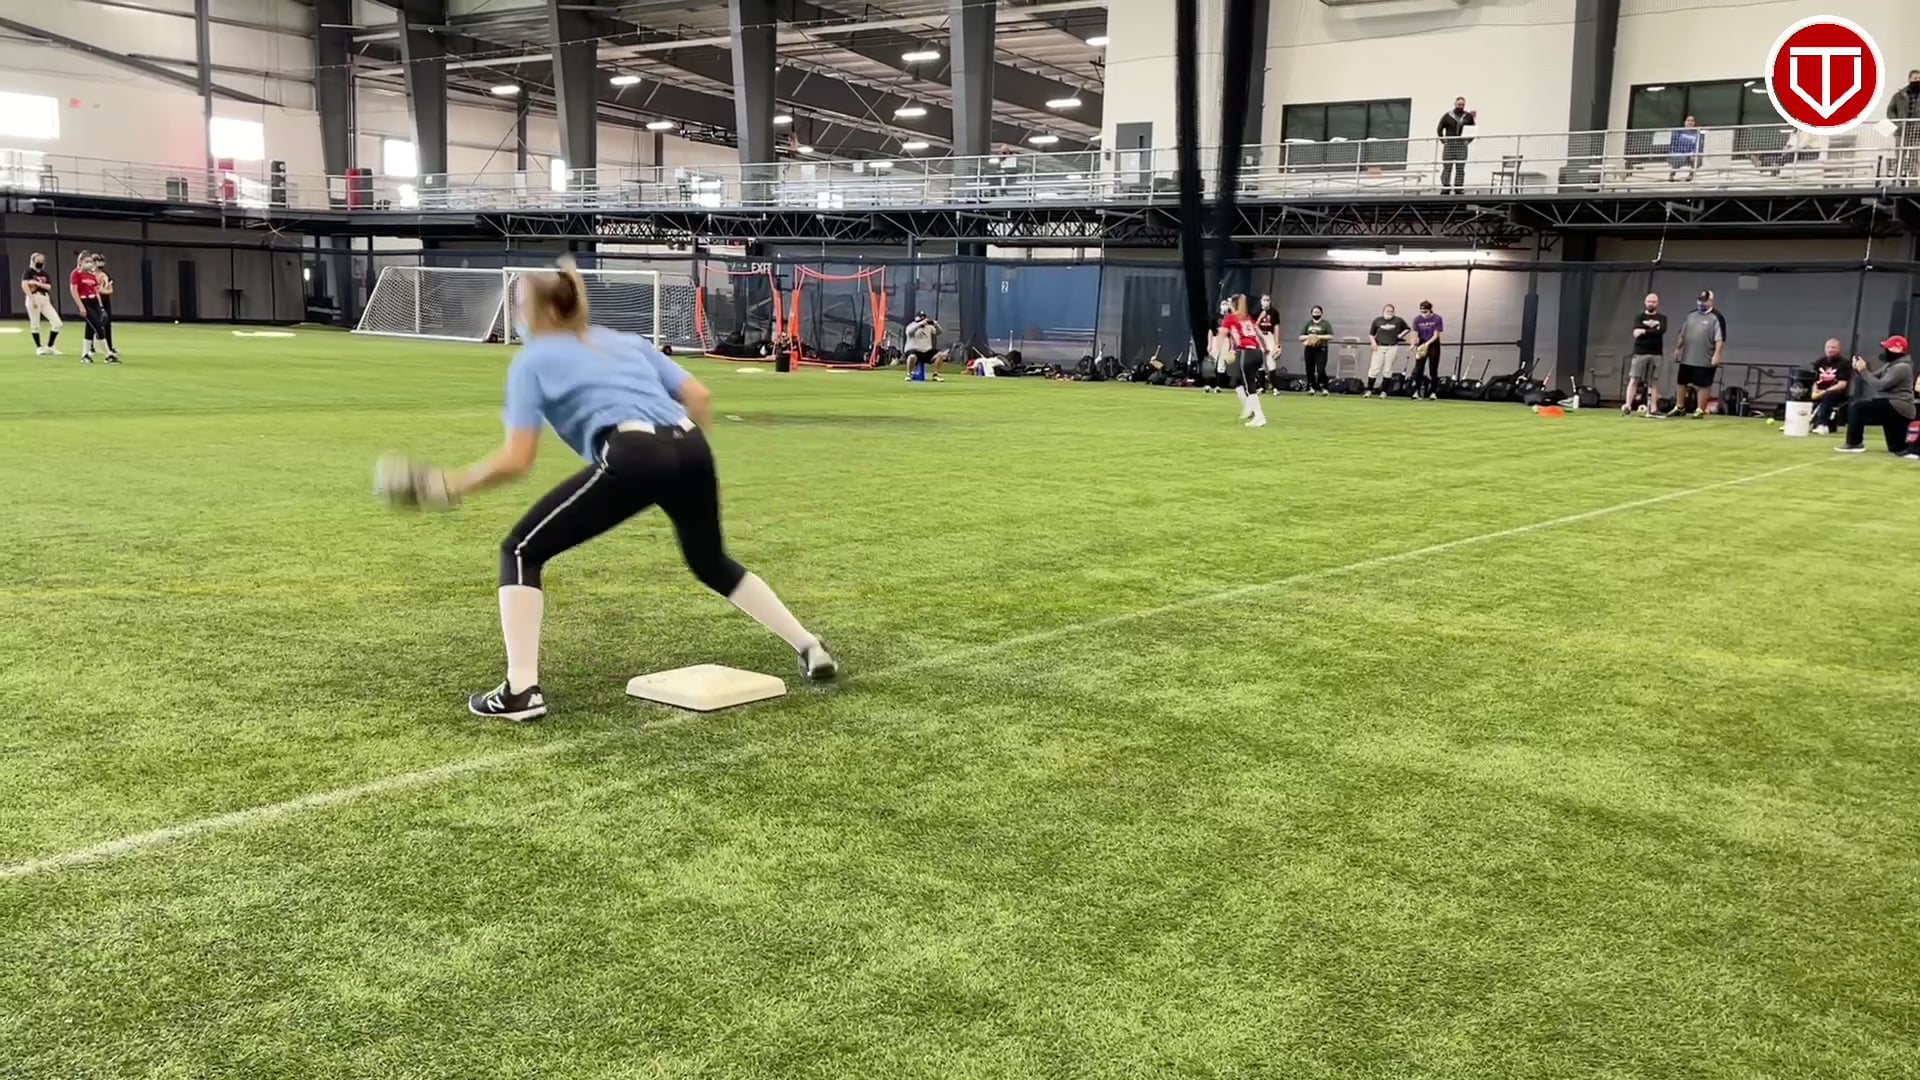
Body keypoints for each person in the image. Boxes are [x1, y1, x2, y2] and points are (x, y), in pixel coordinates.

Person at [377, 259, 838, 722]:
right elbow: (699, 397)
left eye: (519, 305)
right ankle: (809, 646)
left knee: (519, 551)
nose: (516, 315)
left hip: (634, 452)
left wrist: (449, 485)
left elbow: (517, 460)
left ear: (541, 311)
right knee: (710, 561)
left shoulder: (532, 361)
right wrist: (677, 467)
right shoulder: (625, 341)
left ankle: (521, 692)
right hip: (692, 447)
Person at [1835, 336, 1916, 457]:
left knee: (1858, 408)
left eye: (1887, 348)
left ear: (1895, 350)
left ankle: (1854, 443)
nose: (1885, 351)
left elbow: (1879, 385)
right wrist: (1859, 369)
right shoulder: (1891, 365)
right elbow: (1872, 377)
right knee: (1897, 448)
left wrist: (1863, 371)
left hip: (1898, 407)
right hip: (1894, 407)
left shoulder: (1901, 367)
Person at [1666, 290, 1724, 418]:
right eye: (1700, 300)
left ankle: (1700, 409)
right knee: (1681, 382)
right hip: (1687, 357)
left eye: (1704, 301)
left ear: (1711, 301)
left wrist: (1717, 355)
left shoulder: (1716, 317)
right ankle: (1679, 407)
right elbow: (1682, 334)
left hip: (1705, 358)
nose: (1701, 303)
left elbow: (1720, 339)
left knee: (1703, 384)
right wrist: (1677, 349)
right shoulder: (1691, 315)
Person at [1219, 294, 1269, 428]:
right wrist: (1265, 348)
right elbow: (1259, 334)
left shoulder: (1230, 318)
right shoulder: (1247, 318)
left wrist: (1217, 351)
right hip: (1256, 352)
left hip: (1245, 352)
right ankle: (1252, 411)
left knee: (1249, 386)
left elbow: (1221, 334)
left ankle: (1259, 416)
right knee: (1241, 381)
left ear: (1233, 305)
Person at [1623, 293, 1667, 416]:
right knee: (1634, 378)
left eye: (1653, 301)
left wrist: (1644, 331)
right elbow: (1636, 333)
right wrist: (1653, 330)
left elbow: (1661, 331)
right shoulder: (1639, 317)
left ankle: (1653, 408)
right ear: (1645, 302)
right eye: (1649, 301)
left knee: (1654, 381)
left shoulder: (1662, 318)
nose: (1651, 304)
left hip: (1656, 352)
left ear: (1657, 303)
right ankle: (1627, 405)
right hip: (1640, 352)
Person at [69, 251, 115, 364]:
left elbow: (96, 291)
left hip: (94, 301)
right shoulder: (76, 273)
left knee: (90, 328)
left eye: (90, 261)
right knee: (98, 327)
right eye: (87, 261)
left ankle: (85, 355)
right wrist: (81, 306)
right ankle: (108, 354)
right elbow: (74, 291)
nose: (89, 263)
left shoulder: (91, 275)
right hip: (85, 301)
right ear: (80, 262)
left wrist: (101, 307)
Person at [1365, 303, 1412, 398]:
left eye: (1391, 311)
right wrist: (1373, 343)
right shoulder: (1377, 320)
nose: (1389, 313)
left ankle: (1384, 391)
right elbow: (1371, 334)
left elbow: (1407, 329)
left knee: (1387, 369)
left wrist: (1400, 335)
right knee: (1374, 369)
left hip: (1392, 347)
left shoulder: (1398, 320)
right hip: (1379, 347)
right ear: (1383, 311)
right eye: (1387, 311)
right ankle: (1369, 390)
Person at [20, 252, 61, 356]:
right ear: (33, 261)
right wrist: (31, 299)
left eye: (42, 261)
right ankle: (39, 347)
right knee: (35, 324)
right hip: (34, 296)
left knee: (57, 323)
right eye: (38, 260)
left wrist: (36, 283)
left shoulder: (45, 274)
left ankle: (50, 346)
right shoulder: (28, 272)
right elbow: (25, 285)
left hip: (45, 297)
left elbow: (49, 287)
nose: (40, 262)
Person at [1809, 338, 1850, 435]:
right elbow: (1814, 381)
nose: (1830, 349)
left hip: (1836, 392)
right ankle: (1796, 422)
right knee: (1802, 394)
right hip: (1819, 390)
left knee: (1828, 396)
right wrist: (1815, 390)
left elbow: (1842, 384)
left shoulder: (1844, 363)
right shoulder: (1819, 362)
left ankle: (1822, 425)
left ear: (1838, 349)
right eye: (1828, 347)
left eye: (1833, 347)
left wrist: (1825, 391)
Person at [1436, 97, 1476, 195]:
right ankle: (1445, 187)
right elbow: (1439, 129)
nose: (1460, 106)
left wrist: (1468, 140)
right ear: (1455, 104)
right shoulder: (1447, 116)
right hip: (1449, 145)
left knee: (1460, 168)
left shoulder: (1468, 117)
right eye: (1459, 105)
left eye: (1462, 105)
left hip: (1461, 145)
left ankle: (1458, 188)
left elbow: (1473, 130)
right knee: (1447, 167)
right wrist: (1443, 140)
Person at [1888, 69, 1920, 180]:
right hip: (1901, 131)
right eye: (1915, 78)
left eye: (1919, 78)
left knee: (1915, 158)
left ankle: (1913, 181)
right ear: (1909, 79)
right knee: (1900, 157)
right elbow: (1890, 111)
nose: (1917, 80)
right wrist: (1897, 123)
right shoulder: (1899, 96)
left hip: (1917, 132)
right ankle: (1896, 180)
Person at [1409, 301, 1444, 400]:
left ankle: (1433, 392)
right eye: (1422, 311)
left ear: (1430, 310)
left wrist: (1427, 344)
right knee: (1419, 368)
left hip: (1433, 344)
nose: (1423, 314)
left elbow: (1436, 335)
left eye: (1425, 312)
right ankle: (1416, 391)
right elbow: (1415, 333)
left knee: (1433, 369)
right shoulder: (1417, 319)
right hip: (1422, 343)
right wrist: (1413, 344)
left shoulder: (1437, 318)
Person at [91, 255, 121, 362]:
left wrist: (101, 290)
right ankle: (90, 347)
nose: (100, 263)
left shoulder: (105, 276)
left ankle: (109, 347)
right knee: (92, 323)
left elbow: (110, 290)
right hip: (93, 301)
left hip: (105, 302)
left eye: (101, 261)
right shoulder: (90, 276)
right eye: (97, 261)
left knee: (107, 324)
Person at [1300, 305, 1333, 396]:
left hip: (1321, 348)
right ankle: (1312, 387)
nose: (1316, 314)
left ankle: (1323, 387)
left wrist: (1318, 337)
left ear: (1321, 313)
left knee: (1320, 369)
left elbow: (1330, 336)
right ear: (1311, 313)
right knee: (1309, 368)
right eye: (1314, 312)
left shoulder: (1325, 324)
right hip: (1310, 348)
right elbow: (1301, 337)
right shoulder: (1308, 324)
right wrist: (1309, 337)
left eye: (1318, 312)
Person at [1254, 294, 1282, 396]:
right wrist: (1260, 317)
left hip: (1269, 336)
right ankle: (1261, 387)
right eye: (1264, 300)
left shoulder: (1274, 312)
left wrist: (1277, 344)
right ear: (1261, 301)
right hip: (1259, 336)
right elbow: (1254, 326)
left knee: (1271, 361)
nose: (1266, 302)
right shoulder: (1256, 312)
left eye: (1267, 300)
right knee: (1260, 363)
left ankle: (1275, 387)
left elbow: (1276, 328)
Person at [903, 311, 943, 382]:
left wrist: (935, 324)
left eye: (923, 318)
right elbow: (909, 332)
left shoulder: (929, 327)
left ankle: (936, 374)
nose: (923, 320)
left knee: (940, 355)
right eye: (920, 318)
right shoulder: (911, 325)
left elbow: (939, 332)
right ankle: (909, 374)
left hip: (927, 351)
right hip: (914, 350)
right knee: (912, 357)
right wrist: (919, 325)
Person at [1667, 116, 1704, 182]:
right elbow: (1674, 144)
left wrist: (1692, 152)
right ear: (1684, 122)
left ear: (1694, 123)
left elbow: (1698, 146)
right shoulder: (1678, 132)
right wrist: (1684, 152)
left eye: (1692, 121)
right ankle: (1672, 174)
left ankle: (1691, 174)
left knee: (1697, 157)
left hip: (1691, 153)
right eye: (1688, 120)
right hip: (1679, 152)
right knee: (1680, 157)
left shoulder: (1697, 134)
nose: (1690, 122)